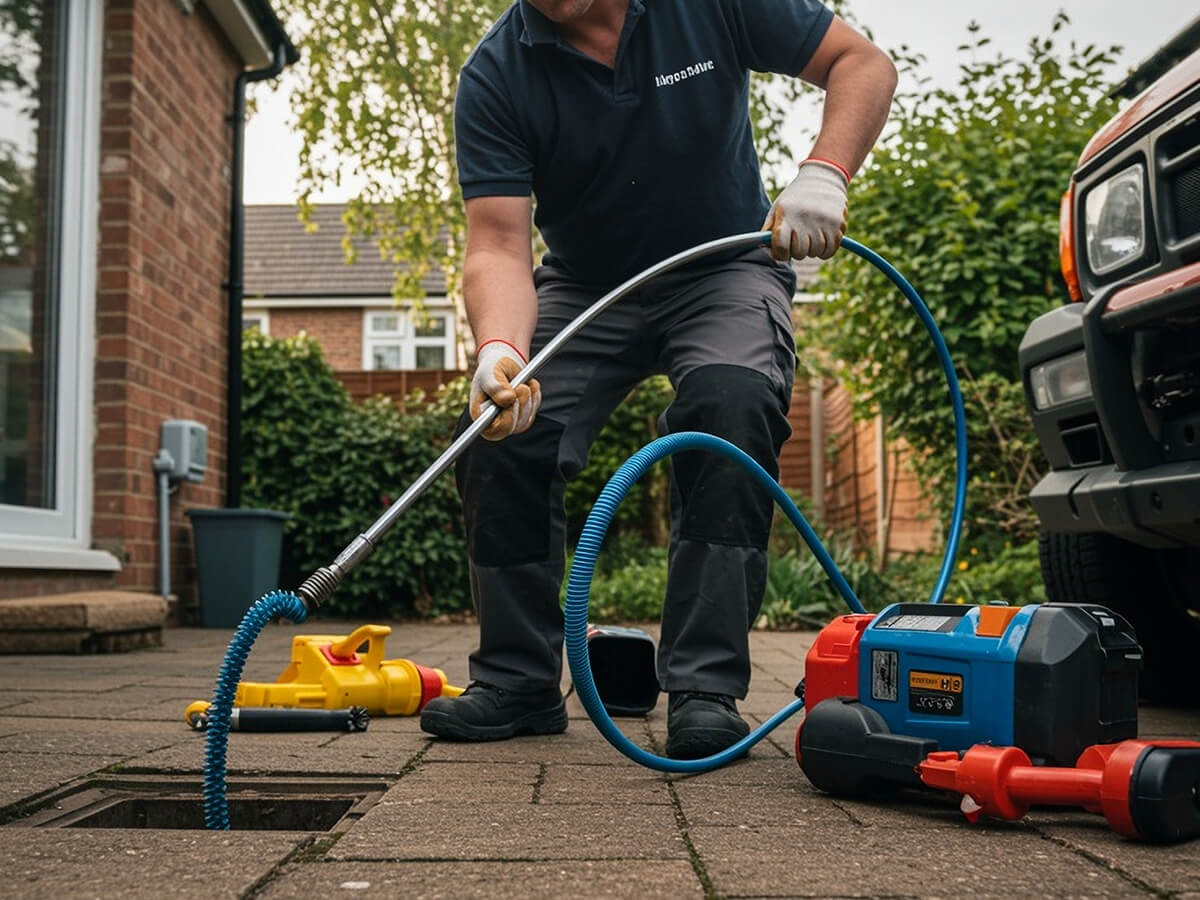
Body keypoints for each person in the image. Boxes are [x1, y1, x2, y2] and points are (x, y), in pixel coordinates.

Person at [420, 0, 897, 758]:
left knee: (731, 404)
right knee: (500, 428)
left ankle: (705, 688)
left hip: (724, 268)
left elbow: (862, 63)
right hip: (587, 286)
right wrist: (500, 347)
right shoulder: (497, 74)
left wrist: (826, 171)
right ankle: (517, 681)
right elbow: (499, 244)